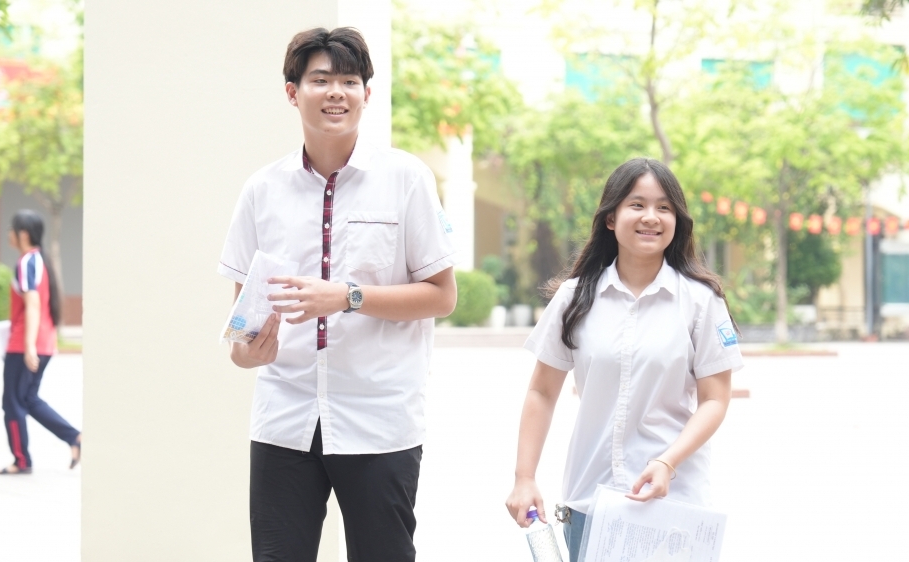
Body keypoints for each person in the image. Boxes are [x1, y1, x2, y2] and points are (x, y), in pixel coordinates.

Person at [217, 27, 458, 562]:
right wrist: (245, 352)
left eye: (349, 81)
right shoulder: (262, 190)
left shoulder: (406, 178)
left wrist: (347, 296)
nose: (336, 93)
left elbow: (441, 296)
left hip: (380, 420)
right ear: (292, 92)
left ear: (366, 94)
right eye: (320, 79)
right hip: (285, 419)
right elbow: (242, 324)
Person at [504, 158, 744, 561]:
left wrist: (667, 462)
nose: (651, 217)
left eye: (664, 207)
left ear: (677, 221)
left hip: (674, 503)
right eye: (637, 204)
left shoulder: (701, 301)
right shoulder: (574, 298)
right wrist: (524, 477)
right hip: (591, 501)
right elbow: (542, 393)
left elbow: (715, 400)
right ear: (611, 218)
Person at [0, 209, 81, 475]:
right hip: (42, 341)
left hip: (25, 344)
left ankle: (21, 460)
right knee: (27, 399)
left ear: (23, 234)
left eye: (11, 229)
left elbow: (33, 305)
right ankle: (75, 438)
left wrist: (29, 346)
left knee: (13, 402)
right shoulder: (40, 261)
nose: (8, 234)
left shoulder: (27, 262)